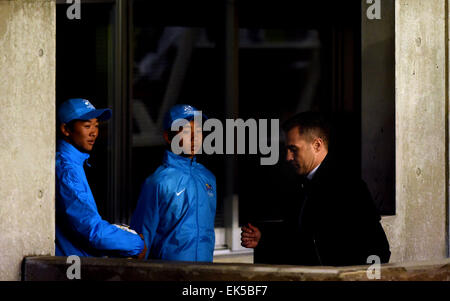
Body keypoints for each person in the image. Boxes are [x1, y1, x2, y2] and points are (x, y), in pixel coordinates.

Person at [241, 112, 391, 266]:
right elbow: (301, 235)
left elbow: (378, 249)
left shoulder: (348, 187)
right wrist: (264, 237)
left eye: (293, 149)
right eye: (287, 149)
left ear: (317, 145)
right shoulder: (300, 184)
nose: (288, 157)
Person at [55, 98, 146, 258]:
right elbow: (92, 231)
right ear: (66, 129)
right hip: (71, 267)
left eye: (96, 125)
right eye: (87, 126)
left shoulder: (73, 163)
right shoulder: (67, 170)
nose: (94, 132)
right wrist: (136, 243)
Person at [130, 104, 216, 262]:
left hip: (205, 272)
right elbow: (142, 239)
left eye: (198, 130)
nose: (193, 137)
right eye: (185, 131)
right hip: (170, 273)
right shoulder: (157, 182)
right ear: (168, 137)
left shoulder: (208, 178)